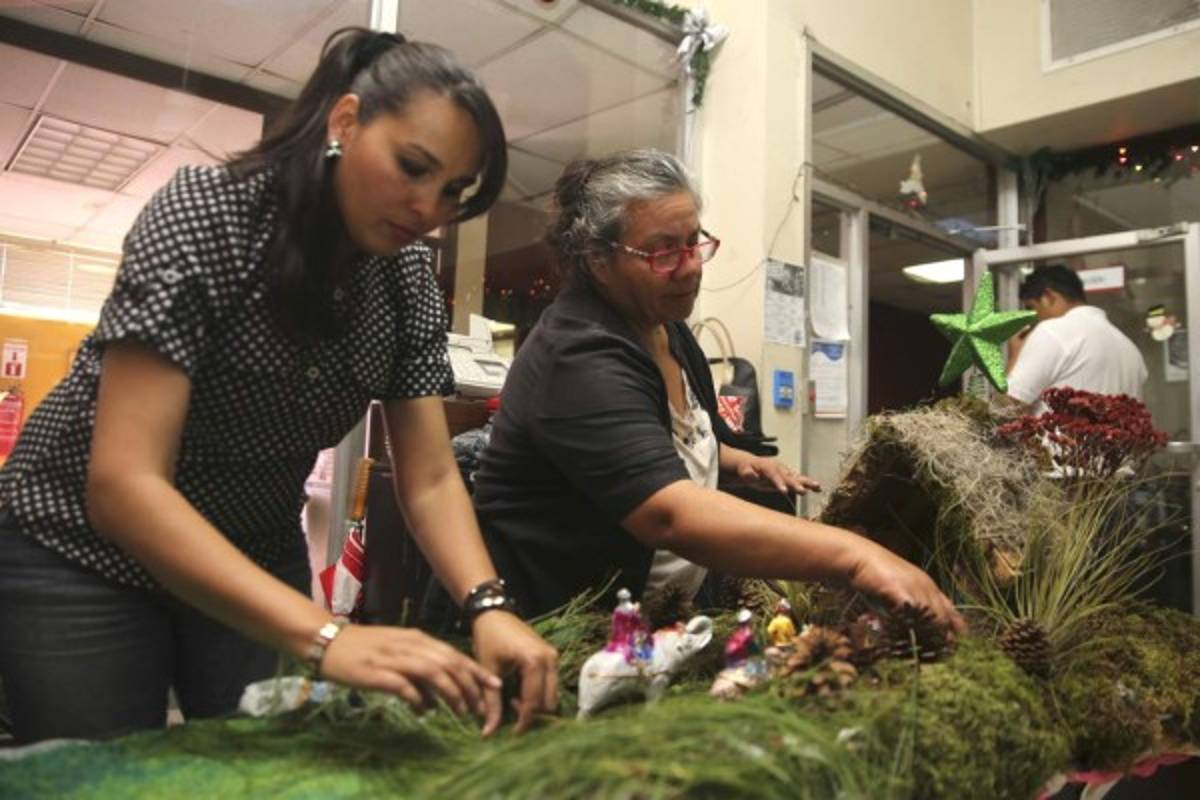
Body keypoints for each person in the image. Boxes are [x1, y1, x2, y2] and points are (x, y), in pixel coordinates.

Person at [0, 27, 557, 744]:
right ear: (346, 122)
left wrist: (488, 606)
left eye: (452, 191)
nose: (428, 208)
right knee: (110, 769)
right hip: (77, 544)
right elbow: (125, 483)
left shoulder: (404, 276)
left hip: (252, 545)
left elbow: (428, 477)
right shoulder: (207, 214)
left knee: (271, 760)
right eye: (412, 167)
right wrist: (329, 636)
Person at [469, 149, 965, 638]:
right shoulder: (578, 357)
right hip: (559, 632)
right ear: (598, 260)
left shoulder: (666, 327)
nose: (690, 267)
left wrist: (733, 460)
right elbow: (669, 514)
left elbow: (662, 435)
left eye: (694, 242)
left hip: (660, 623)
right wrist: (856, 557)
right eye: (663, 252)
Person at [1006, 264, 1147, 411]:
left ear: (1048, 297)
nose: (1033, 320)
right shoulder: (1129, 348)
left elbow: (1004, 410)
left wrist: (1014, 357)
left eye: (1032, 308)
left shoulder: (1052, 331)